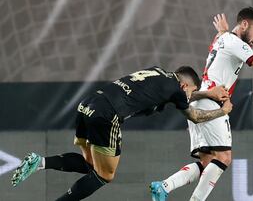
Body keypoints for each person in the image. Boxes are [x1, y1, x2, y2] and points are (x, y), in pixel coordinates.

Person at [150, 7, 253, 201]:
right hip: (212, 103)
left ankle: (164, 186)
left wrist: (222, 31)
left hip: (197, 104)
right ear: (244, 24)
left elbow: (224, 44)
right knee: (224, 158)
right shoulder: (234, 42)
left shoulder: (222, 39)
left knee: (207, 161)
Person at [11, 65, 232, 200]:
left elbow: (176, 99)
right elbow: (193, 115)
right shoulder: (176, 89)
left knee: (90, 165)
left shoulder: (157, 72)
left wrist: (207, 93)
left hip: (88, 104)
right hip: (107, 116)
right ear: (185, 86)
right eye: (192, 90)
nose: (189, 94)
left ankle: (40, 162)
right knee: (105, 175)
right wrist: (221, 110)